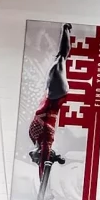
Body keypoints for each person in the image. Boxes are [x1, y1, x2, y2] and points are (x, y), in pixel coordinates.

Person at [28, 23, 72, 181]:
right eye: (35, 158)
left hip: (50, 92)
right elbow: (43, 163)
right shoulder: (46, 141)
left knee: (61, 57)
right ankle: (65, 30)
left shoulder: (35, 138)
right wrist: (42, 181)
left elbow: (41, 159)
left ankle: (65, 30)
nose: (32, 157)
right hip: (56, 94)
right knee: (61, 57)